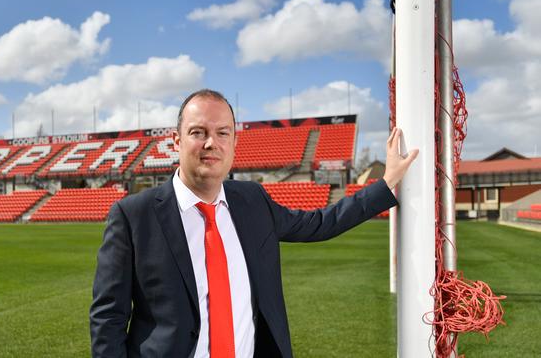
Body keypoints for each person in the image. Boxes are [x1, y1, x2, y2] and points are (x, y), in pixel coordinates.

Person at [90, 89, 418, 358]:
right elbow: (108, 319)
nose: (210, 143)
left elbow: (320, 222)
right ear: (176, 142)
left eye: (222, 133)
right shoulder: (133, 216)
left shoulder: (252, 201)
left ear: (234, 143)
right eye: (197, 132)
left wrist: (385, 184)